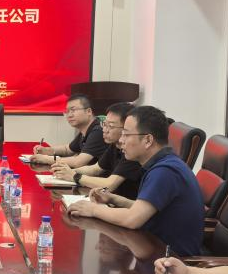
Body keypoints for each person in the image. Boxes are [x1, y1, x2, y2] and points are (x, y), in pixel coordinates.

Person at [66, 105, 203, 255]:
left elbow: (132, 219)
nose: (121, 140)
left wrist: (93, 209)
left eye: (126, 134)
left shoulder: (165, 171)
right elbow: (146, 210)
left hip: (171, 260)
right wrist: (113, 199)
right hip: (152, 247)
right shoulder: (160, 164)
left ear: (148, 140)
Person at [51, 101, 142, 198]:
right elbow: (96, 169)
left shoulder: (133, 151)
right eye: (104, 124)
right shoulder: (115, 145)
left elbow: (110, 184)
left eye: (110, 126)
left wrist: (74, 176)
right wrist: (67, 171)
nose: (104, 130)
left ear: (126, 128)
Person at [31, 94, 106, 167]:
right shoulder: (85, 130)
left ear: (88, 111)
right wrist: (46, 150)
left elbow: (78, 162)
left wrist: (46, 159)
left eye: (73, 110)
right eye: (67, 111)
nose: (69, 115)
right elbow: (67, 150)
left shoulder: (98, 131)